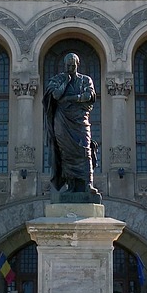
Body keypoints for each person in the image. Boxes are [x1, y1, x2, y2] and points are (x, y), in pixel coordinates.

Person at [42, 51, 101, 199]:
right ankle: (71, 185)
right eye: (68, 65)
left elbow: (90, 96)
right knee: (65, 153)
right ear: (64, 65)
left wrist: (70, 98)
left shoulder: (86, 80)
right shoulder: (58, 80)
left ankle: (88, 184)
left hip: (80, 121)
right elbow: (55, 95)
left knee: (85, 149)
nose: (70, 68)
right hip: (62, 121)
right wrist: (66, 83)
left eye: (73, 65)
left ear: (77, 65)